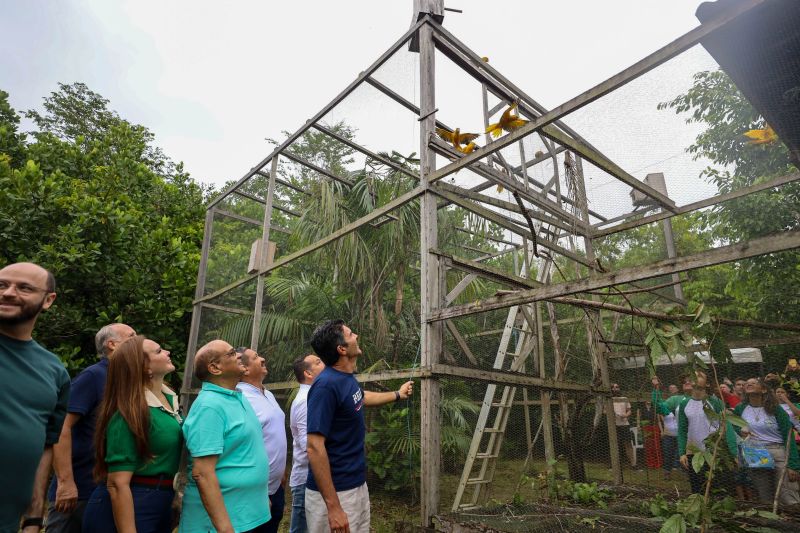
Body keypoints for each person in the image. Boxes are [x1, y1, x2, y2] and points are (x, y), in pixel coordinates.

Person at [306, 320, 413, 533]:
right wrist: (334, 507)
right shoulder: (326, 386)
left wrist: (397, 395)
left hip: (355, 485)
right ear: (342, 349)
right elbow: (314, 447)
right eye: (351, 333)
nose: (357, 336)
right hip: (336, 493)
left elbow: (361, 398)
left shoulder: (346, 379)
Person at [82, 336, 182, 533]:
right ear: (145, 367)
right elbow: (117, 484)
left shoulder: (168, 400)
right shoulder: (128, 414)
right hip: (132, 504)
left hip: (159, 501)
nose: (168, 352)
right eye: (159, 351)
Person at [0, 262, 70, 533]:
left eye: (24, 288)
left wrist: (33, 519)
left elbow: (45, 446)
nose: (8, 293)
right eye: (2, 285)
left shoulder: (54, 371)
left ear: (48, 300)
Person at [47, 323, 136, 533]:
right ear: (112, 345)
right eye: (132, 336)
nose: (138, 340)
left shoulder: (125, 380)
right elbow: (61, 427)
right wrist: (66, 482)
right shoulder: (93, 376)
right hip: (77, 492)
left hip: (105, 490)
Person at [180, 340, 270, 533]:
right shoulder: (209, 407)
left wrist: (260, 498)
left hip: (248, 514)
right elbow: (202, 473)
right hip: (221, 525)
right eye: (230, 354)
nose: (238, 355)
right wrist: (225, 528)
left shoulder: (237, 396)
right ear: (215, 368)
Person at [237, 347, 288, 533]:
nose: (263, 359)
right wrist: (259, 490)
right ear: (245, 369)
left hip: (276, 488)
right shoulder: (241, 398)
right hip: (255, 492)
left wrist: (281, 471)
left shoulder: (268, 394)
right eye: (256, 357)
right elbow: (243, 446)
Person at [732, 378, 800, 506]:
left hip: (778, 451)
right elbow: (733, 422)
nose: (749, 383)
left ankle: (794, 520)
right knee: (765, 494)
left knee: (788, 494)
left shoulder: (776, 409)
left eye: (754, 382)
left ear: (763, 390)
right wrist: (741, 430)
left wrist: (793, 465)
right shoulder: (741, 408)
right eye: (748, 383)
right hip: (755, 452)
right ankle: (773, 523)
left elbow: (788, 435)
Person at [677, 370, 734, 494]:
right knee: (697, 489)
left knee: (717, 489)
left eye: (699, 376)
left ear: (707, 384)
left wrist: (733, 452)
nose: (695, 377)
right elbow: (682, 430)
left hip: (714, 453)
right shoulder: (684, 404)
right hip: (694, 454)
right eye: (693, 375)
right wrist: (682, 453)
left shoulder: (715, 402)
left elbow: (726, 426)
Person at [289, 354, 325, 533]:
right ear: (308, 373)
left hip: (314, 475)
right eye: (318, 362)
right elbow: (307, 444)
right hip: (305, 478)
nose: (324, 363)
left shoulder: (312, 395)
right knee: (300, 530)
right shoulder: (305, 401)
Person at [652, 375, 692, 479]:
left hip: (693, 437)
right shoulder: (676, 399)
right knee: (669, 453)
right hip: (672, 434)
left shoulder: (705, 399)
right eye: (684, 381)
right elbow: (661, 409)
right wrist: (656, 389)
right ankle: (667, 472)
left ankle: (688, 473)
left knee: (686, 454)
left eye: (690, 381)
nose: (686, 382)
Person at [611, 383, 634, 468]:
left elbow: (629, 410)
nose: (615, 388)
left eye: (617, 387)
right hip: (613, 425)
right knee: (614, 444)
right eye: (613, 387)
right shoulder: (609, 399)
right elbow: (604, 411)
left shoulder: (625, 399)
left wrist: (626, 415)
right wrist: (612, 414)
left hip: (624, 423)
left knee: (628, 443)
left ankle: (633, 464)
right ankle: (615, 465)